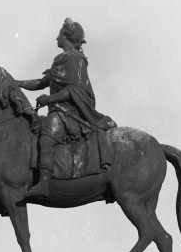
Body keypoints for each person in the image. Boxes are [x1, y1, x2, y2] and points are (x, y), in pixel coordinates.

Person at [17, 18, 114, 198]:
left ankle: (44, 183)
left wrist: (49, 98)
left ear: (67, 37)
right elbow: (40, 83)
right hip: (58, 111)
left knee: (46, 137)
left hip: (70, 113)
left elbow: (75, 90)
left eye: (59, 34)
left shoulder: (76, 59)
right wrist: (16, 83)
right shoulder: (60, 60)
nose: (56, 38)